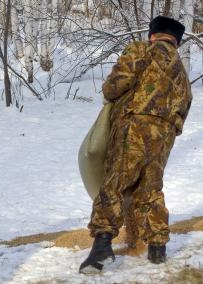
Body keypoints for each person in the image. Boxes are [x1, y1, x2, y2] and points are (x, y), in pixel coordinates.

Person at [79, 16, 192, 273]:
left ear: (153, 34)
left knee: (116, 180)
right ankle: (157, 248)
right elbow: (185, 106)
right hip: (165, 135)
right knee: (150, 187)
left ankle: (101, 247)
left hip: (134, 126)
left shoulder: (141, 49)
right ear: (176, 40)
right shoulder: (182, 71)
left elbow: (116, 84)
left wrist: (109, 93)